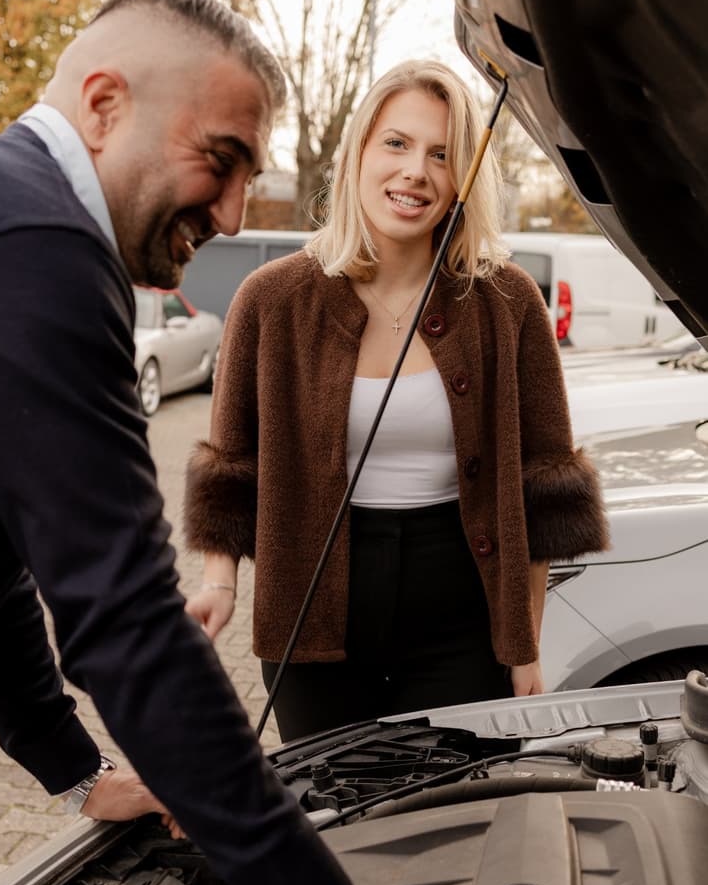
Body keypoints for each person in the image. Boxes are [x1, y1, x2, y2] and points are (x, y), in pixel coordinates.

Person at [0, 0, 394, 885]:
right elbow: (122, 617)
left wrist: (75, 771)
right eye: (221, 159)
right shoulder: (27, 242)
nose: (234, 214)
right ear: (105, 105)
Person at [184, 59, 610, 742]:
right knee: (335, 801)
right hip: (313, 614)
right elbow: (232, 467)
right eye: (397, 143)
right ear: (358, 152)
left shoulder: (508, 302)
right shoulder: (271, 299)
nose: (416, 172)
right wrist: (219, 585)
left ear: (465, 178)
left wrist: (525, 643)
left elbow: (546, 492)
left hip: (462, 615)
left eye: (442, 154)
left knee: (452, 801)